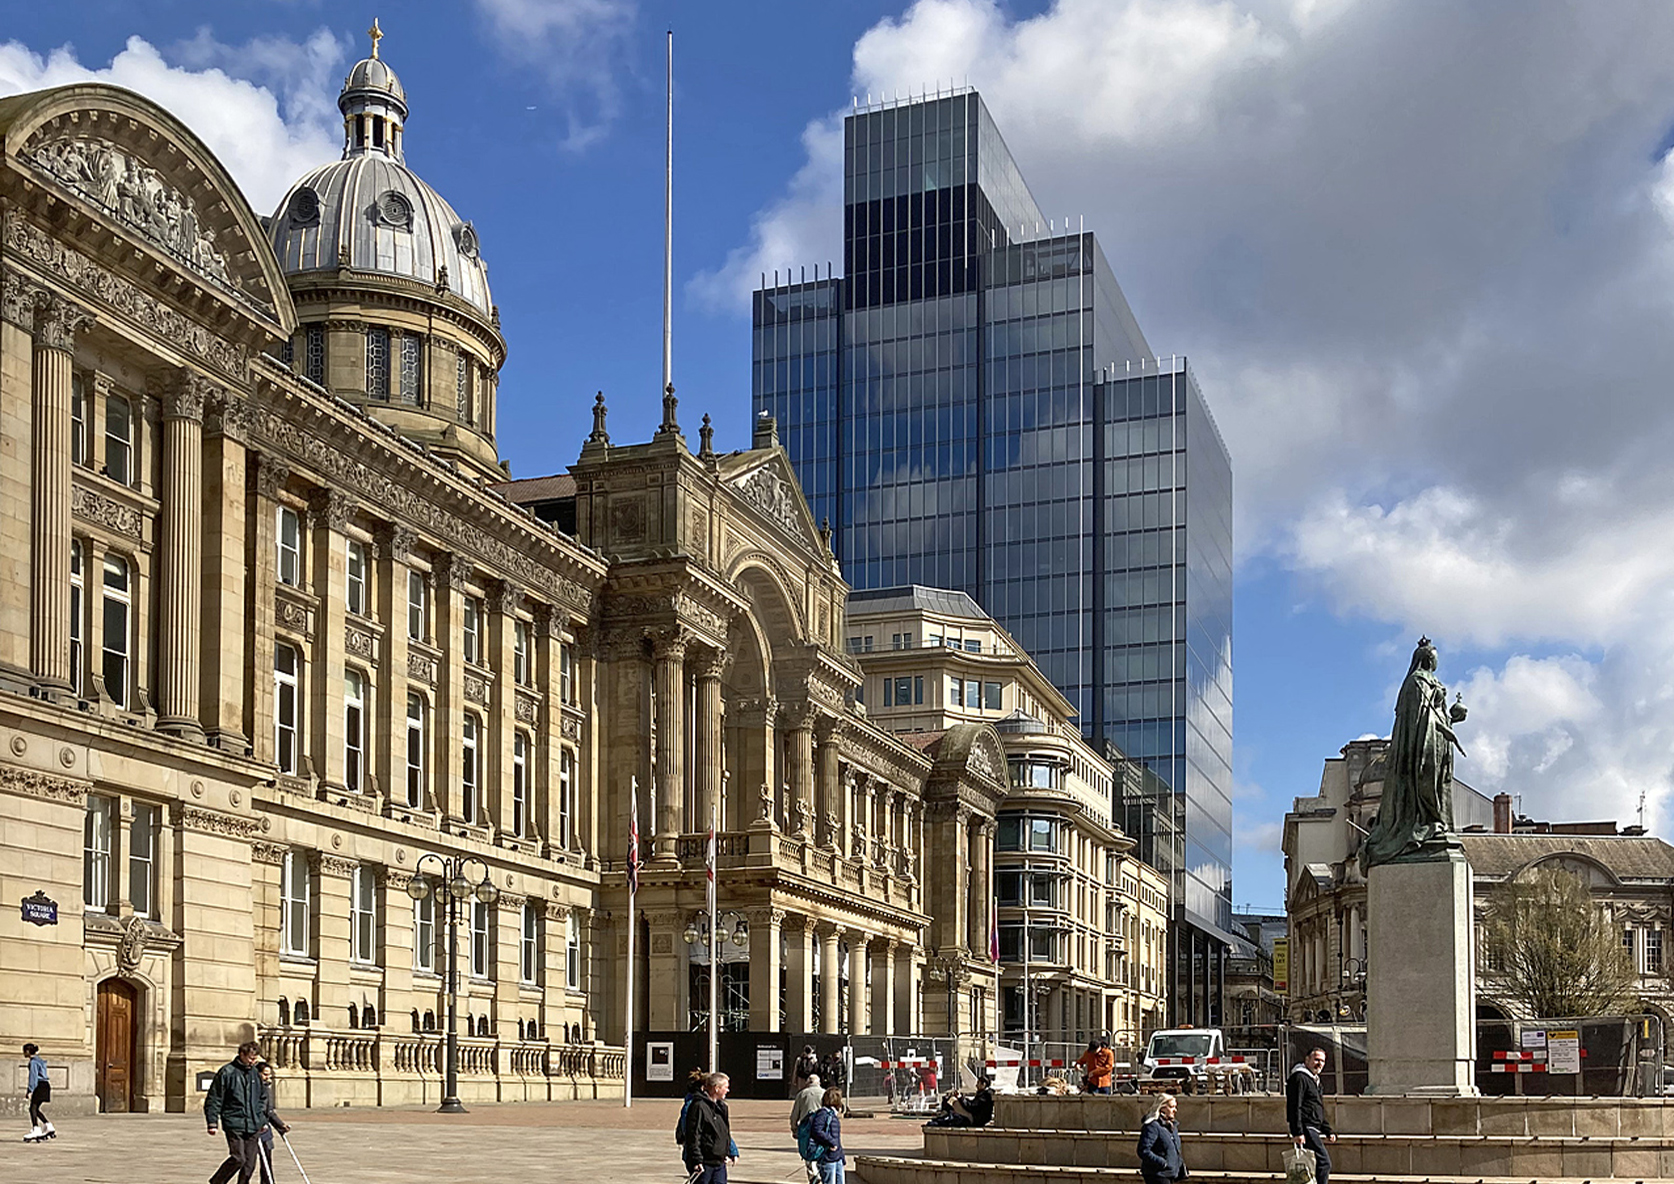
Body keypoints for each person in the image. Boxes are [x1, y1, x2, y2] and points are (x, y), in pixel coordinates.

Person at [1361, 637, 1468, 872]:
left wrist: (1452, 718)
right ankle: (1421, 823)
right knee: (1423, 784)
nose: (1437, 661)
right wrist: (1443, 727)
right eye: (1434, 657)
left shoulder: (1432, 682)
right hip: (1421, 747)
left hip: (1438, 745)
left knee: (1439, 787)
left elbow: (1436, 716)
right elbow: (1419, 721)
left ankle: (1435, 822)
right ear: (1427, 659)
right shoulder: (1415, 683)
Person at [205, 1040, 271, 1184]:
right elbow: (215, 1098)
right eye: (250, 1058)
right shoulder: (227, 1072)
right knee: (238, 1158)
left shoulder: (254, 1073)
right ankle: (217, 1181)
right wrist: (212, 1122)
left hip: (253, 1124)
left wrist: (260, 1119)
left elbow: (262, 1097)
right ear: (241, 1054)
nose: (253, 1061)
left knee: (249, 1164)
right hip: (234, 1122)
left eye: (255, 1058)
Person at [1287, 1048, 1336, 1184]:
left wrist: (1327, 1130)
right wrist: (1297, 1131)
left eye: (1322, 1061)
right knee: (1324, 1162)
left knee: (1314, 1165)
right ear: (1307, 1059)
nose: (1319, 1064)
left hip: (1313, 1127)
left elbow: (1316, 1107)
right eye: (1316, 1060)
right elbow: (1294, 1105)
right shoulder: (1300, 1078)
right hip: (1306, 1127)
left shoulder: (1315, 1081)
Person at [683, 1071, 737, 1184]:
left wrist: (730, 1151)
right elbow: (693, 1135)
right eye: (726, 1087)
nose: (728, 1090)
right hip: (704, 1163)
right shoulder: (698, 1106)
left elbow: (724, 1133)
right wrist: (696, 1159)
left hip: (719, 1162)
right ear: (716, 1088)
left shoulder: (722, 1107)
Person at [1136, 1094, 1185, 1183]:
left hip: (1171, 1174)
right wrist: (1162, 1163)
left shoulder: (1172, 1127)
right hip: (1157, 1175)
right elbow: (1143, 1150)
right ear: (1162, 1108)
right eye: (1171, 1107)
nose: (1175, 1110)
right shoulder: (1152, 1126)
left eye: (1175, 1107)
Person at [254, 1062, 290, 1178]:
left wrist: (281, 1125)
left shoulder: (267, 1088)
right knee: (248, 1162)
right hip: (252, 1128)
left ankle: (268, 1182)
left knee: (267, 1159)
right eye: (265, 1074)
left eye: (269, 1075)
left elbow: (269, 1112)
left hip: (265, 1128)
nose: (267, 1077)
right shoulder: (252, 1088)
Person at [807, 1086, 847, 1184]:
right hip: (828, 1158)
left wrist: (841, 1156)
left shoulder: (832, 1114)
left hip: (837, 1158)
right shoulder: (823, 1113)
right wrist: (831, 1142)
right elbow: (816, 1130)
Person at [789, 1072, 824, 1184]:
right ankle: (820, 1172)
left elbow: (795, 1114)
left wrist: (794, 1128)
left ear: (807, 1083)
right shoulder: (824, 1093)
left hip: (806, 1127)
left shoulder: (802, 1094)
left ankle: (813, 1174)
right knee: (821, 1150)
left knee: (808, 1150)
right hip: (822, 1126)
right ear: (819, 1083)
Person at [926, 1073, 994, 1128]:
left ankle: (945, 1114)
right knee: (951, 1100)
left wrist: (961, 1098)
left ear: (983, 1084)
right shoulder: (984, 1095)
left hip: (974, 1119)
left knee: (954, 1105)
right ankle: (945, 1114)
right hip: (973, 1117)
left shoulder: (985, 1097)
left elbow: (971, 1107)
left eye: (978, 1083)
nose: (976, 1085)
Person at [23, 1043, 53, 1143]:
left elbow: (33, 1077)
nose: (23, 1053)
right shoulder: (40, 1060)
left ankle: (36, 1128)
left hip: (39, 1085)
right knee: (35, 1108)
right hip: (45, 1085)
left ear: (27, 1051)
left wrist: (30, 1090)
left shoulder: (33, 1062)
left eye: (24, 1051)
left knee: (33, 1108)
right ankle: (48, 1125)